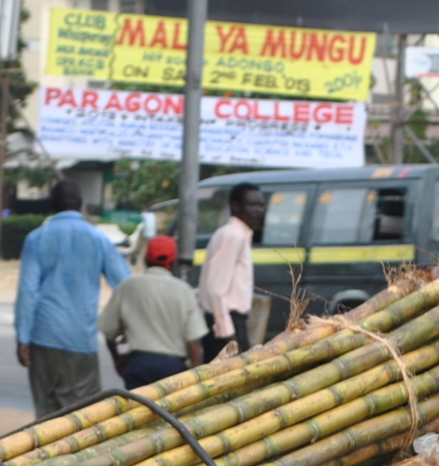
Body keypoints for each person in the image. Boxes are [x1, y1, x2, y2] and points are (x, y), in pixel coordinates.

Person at [15, 178, 132, 418]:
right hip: (81, 340)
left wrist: (23, 337)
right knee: (83, 417)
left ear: (52, 205)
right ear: (80, 205)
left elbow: (28, 291)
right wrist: (124, 326)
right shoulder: (99, 239)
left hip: (43, 337)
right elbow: (126, 285)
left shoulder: (36, 239)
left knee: (46, 415)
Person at [99, 235, 207, 390]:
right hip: (174, 369)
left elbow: (108, 331)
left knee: (138, 406)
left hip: (138, 365)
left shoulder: (128, 286)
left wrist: (117, 360)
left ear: (145, 259)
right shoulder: (184, 291)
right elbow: (194, 341)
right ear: (174, 262)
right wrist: (198, 378)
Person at [198, 182, 266, 360]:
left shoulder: (234, 233)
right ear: (236, 206)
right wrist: (229, 334)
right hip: (226, 324)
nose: (258, 210)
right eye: (253, 205)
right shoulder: (234, 235)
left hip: (228, 322)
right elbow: (216, 288)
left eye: (261, 205)